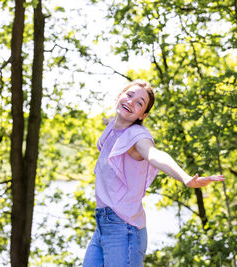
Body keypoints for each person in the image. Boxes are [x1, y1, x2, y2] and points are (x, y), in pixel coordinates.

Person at [83, 80, 225, 267]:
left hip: (124, 229)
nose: (132, 102)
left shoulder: (137, 137)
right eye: (129, 95)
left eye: (140, 103)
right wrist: (108, 120)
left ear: (143, 115)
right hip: (103, 224)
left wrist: (185, 178)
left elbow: (154, 155)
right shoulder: (113, 126)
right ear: (120, 96)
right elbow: (112, 121)